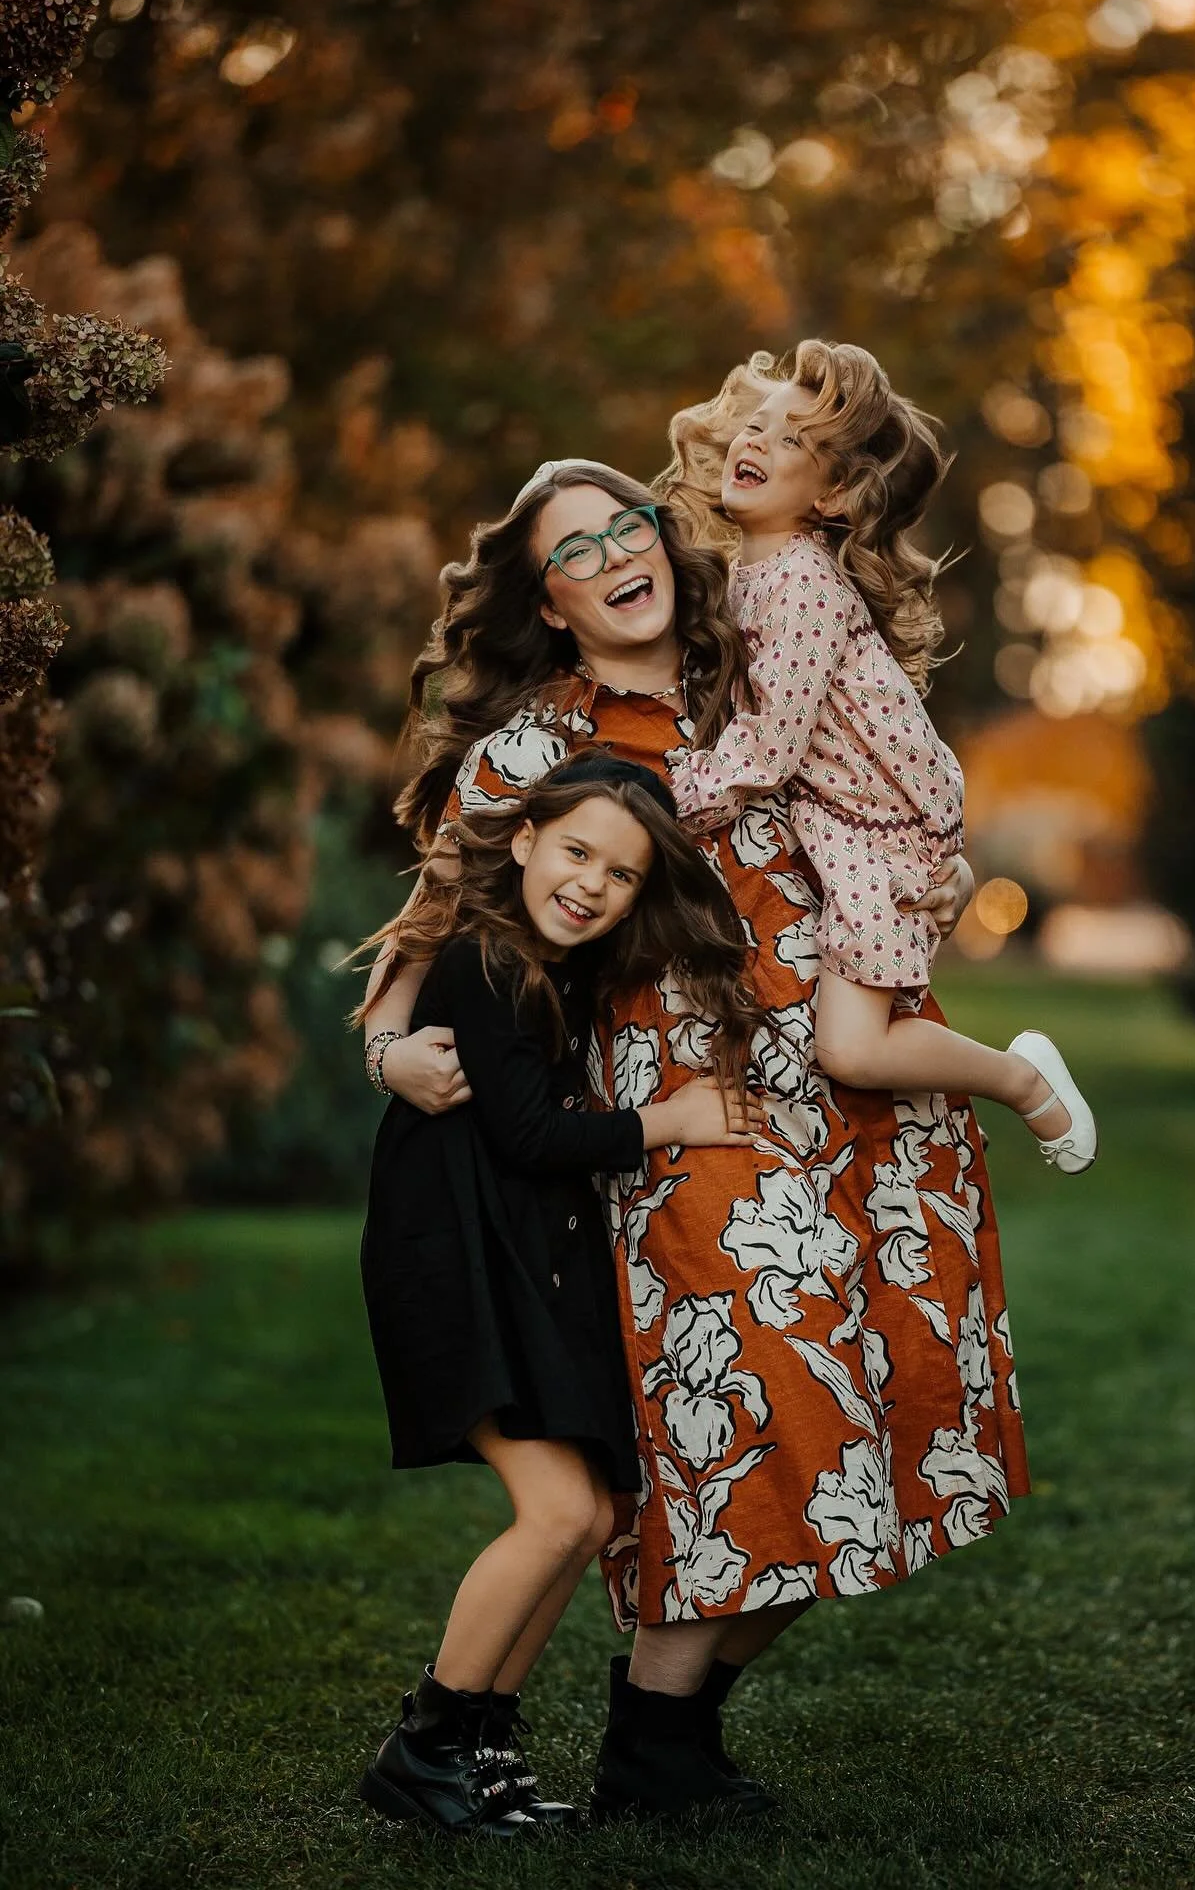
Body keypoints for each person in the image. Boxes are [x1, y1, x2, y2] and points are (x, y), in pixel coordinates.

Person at [366, 457, 1030, 1824]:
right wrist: (388, 1049)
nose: (619, 552)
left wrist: (931, 879)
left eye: (629, 523)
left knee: (894, 1436)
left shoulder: (773, 668)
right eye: (576, 549)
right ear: (546, 604)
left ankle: (664, 1745)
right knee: (765, 1435)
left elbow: (898, 823)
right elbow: (419, 948)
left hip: (868, 1104)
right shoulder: (534, 752)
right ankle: (636, 1744)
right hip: (697, 1128)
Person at [353, 751, 761, 1836]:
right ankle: (424, 1746)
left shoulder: (552, 963)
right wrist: (671, 1122)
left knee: (589, 1514)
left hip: (510, 1258)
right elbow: (529, 1135)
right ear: (526, 840)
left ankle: (481, 1743)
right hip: (453, 1262)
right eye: (576, 851)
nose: (591, 884)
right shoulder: (490, 960)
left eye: (622, 874)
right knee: (557, 1511)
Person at [663, 339, 1097, 1174]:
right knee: (852, 1043)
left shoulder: (801, 585)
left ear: (829, 494)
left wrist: (662, 792)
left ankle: (1019, 1077)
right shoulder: (748, 573)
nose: (756, 441)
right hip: (846, 820)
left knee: (854, 1051)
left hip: (882, 833)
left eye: (792, 439)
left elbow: (766, 751)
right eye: (757, 425)